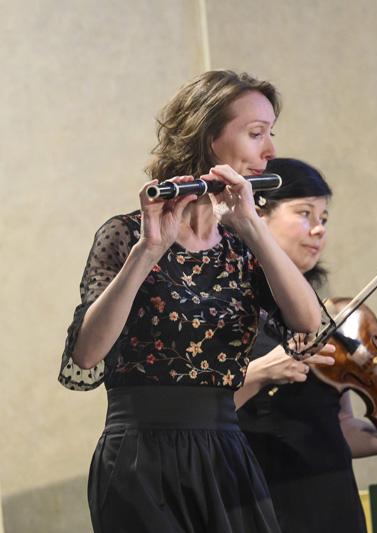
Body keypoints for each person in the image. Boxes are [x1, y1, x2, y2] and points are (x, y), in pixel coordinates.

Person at [58, 71, 322, 532]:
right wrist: (147, 252)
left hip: (225, 455)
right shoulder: (126, 234)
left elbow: (307, 320)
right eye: (256, 134)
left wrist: (254, 227)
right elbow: (87, 354)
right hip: (139, 461)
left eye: (271, 134)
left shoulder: (243, 245)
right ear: (208, 137)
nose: (271, 151)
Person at [234, 157, 377, 533]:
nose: (319, 229)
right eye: (304, 213)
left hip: (333, 503)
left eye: (324, 218)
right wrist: (263, 372)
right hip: (262, 503)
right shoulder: (228, 314)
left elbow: (339, 426)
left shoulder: (322, 319)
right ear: (257, 215)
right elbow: (201, 415)